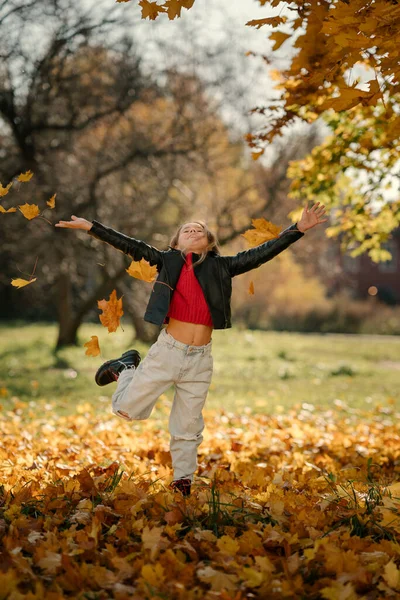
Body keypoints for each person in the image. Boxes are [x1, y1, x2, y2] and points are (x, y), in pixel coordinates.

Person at [55, 202, 328, 496]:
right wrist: (92, 227)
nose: (193, 230)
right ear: (175, 243)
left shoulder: (222, 266)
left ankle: (183, 480)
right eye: (187, 230)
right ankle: (125, 368)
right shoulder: (166, 261)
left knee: (188, 425)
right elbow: (129, 245)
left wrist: (297, 229)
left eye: (199, 230)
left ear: (209, 243)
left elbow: (262, 253)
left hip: (200, 359)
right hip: (167, 352)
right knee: (126, 410)